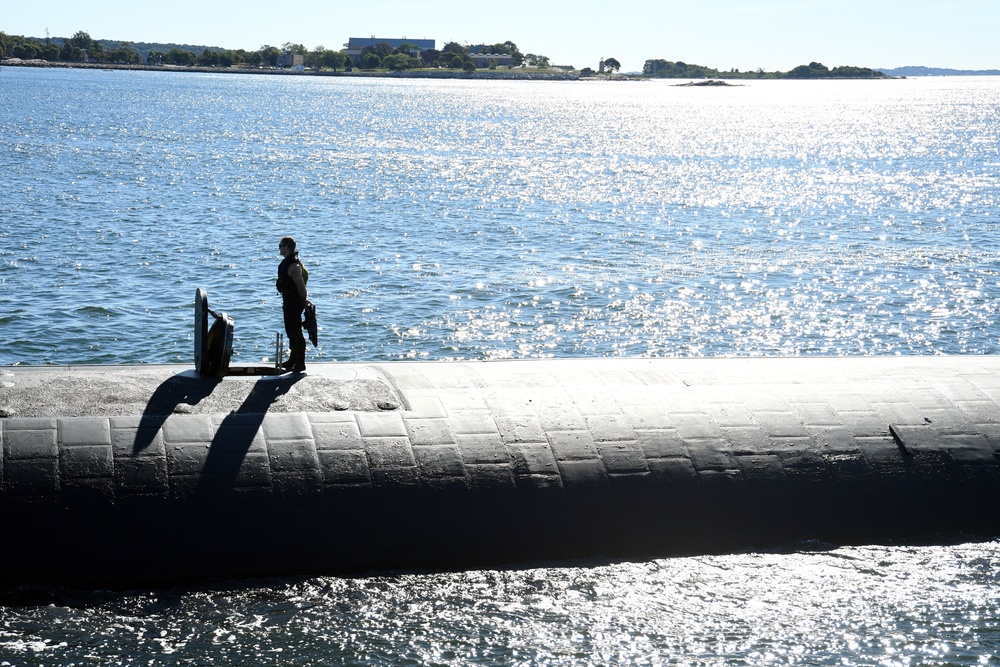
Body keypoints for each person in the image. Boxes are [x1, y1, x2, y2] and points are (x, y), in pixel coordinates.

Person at [276, 236, 309, 372]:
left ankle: (300, 362)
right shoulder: (287, 263)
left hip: (294, 302)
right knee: (290, 331)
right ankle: (292, 359)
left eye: (281, 246)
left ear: (287, 248)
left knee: (296, 332)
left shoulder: (294, 266)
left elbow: (301, 286)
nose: (279, 248)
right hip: (288, 301)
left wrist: (304, 300)